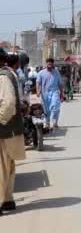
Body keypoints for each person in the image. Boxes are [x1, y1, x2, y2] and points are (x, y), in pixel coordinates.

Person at [0, 48, 26, 216]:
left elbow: (8, 103)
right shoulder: (10, 74)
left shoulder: (2, 77)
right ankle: (7, 199)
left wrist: (0, 119)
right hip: (12, 128)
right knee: (8, 165)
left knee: (2, 166)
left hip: (4, 129)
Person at [36, 58, 63, 130]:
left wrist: (62, 93)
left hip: (55, 92)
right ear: (46, 64)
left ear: (53, 64)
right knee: (46, 110)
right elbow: (38, 83)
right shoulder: (41, 73)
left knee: (55, 106)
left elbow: (60, 83)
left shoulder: (56, 73)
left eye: (51, 64)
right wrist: (38, 91)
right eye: (48, 64)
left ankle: (54, 122)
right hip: (44, 93)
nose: (49, 65)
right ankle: (47, 123)